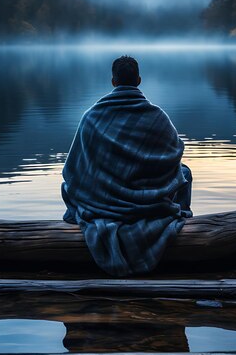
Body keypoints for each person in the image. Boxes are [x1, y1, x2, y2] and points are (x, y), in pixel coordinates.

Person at [61, 55, 192, 276]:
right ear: (139, 80)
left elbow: (72, 171)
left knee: (69, 186)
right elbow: (175, 155)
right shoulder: (158, 116)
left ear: (113, 81)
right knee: (185, 173)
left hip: (103, 203)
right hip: (148, 205)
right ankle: (183, 218)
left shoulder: (91, 117)